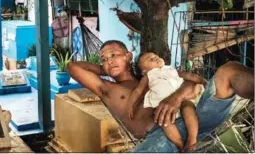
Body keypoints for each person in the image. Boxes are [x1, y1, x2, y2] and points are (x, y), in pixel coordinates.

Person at [67, 40, 254, 152]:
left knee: (229, 71)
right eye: (104, 58)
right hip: (160, 136)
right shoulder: (107, 89)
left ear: (129, 56)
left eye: (114, 54)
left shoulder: (156, 75)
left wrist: (175, 98)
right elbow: (73, 67)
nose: (109, 60)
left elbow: (193, 84)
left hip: (194, 118)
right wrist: (107, 67)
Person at [126, 52, 206, 152]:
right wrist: (130, 104)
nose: (155, 58)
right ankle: (180, 145)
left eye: (156, 56)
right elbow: (138, 91)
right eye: (150, 59)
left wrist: (203, 81)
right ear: (144, 71)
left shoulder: (171, 70)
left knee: (188, 109)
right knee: (164, 121)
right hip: (163, 107)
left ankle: (192, 138)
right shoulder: (148, 76)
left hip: (183, 99)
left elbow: (188, 75)